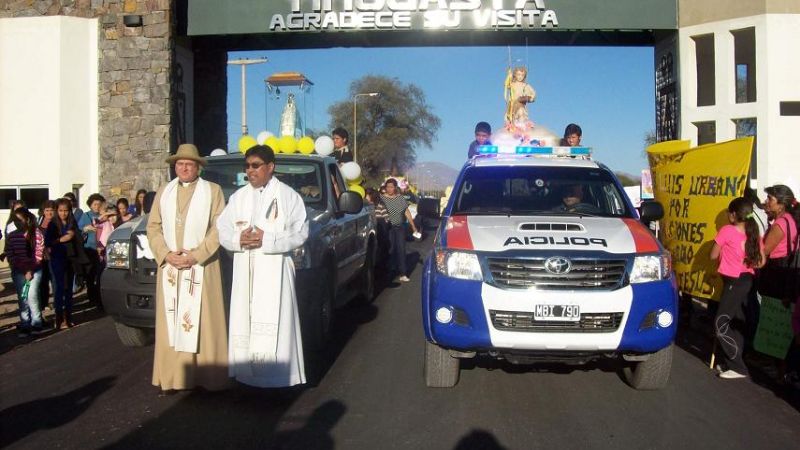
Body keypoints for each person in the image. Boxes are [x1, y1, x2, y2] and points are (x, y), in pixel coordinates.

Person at [217, 145, 309, 388]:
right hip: (246, 267)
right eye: (247, 166)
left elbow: (300, 233)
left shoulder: (289, 196)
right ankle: (247, 378)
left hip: (274, 268)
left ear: (271, 167)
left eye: (255, 165)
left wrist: (266, 239)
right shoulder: (239, 197)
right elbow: (223, 229)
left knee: (277, 324)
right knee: (244, 321)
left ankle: (279, 382)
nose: (250, 171)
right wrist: (239, 239)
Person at [146, 143, 230, 393]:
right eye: (180, 164)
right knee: (173, 321)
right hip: (171, 267)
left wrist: (196, 255)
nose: (184, 167)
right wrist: (165, 254)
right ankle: (174, 377)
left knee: (204, 320)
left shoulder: (213, 191)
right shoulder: (164, 191)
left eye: (189, 164)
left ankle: (208, 377)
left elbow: (220, 227)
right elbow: (153, 227)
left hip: (202, 266)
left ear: (198, 168)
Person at [710, 198, 765, 379]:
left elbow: (713, 255)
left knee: (721, 322)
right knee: (736, 322)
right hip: (747, 280)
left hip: (734, 281)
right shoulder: (754, 233)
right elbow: (761, 261)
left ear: (733, 214)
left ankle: (738, 366)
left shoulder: (727, 230)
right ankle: (732, 361)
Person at [6, 208, 45, 336]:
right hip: (19, 270)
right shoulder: (12, 236)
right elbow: (11, 254)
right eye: (15, 220)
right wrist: (23, 269)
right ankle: (25, 323)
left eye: (20, 219)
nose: (17, 222)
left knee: (32, 295)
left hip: (35, 269)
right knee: (22, 297)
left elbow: (39, 254)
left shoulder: (37, 234)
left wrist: (30, 270)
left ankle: (37, 322)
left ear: (27, 219)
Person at [760, 184, 799, 305]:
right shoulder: (790, 219)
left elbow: (765, 251)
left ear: (781, 205)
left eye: (770, 198)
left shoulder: (780, 224)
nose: (766, 201)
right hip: (786, 273)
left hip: (776, 274)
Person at [46, 198, 79, 329]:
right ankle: (59, 318)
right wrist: (62, 239)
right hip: (57, 258)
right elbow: (49, 242)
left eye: (66, 211)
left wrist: (73, 235)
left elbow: (78, 238)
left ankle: (68, 317)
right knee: (59, 288)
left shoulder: (72, 222)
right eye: (60, 210)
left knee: (69, 290)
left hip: (71, 259)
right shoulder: (53, 224)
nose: (63, 213)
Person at [380, 178, 419, 283]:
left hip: (400, 227)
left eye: (391, 187)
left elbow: (406, 212)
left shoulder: (400, 198)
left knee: (401, 249)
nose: (389, 189)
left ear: (395, 188)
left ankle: (403, 273)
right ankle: (390, 272)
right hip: (389, 228)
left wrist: (413, 226)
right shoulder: (382, 198)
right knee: (391, 249)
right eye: (387, 187)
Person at [77, 193, 114, 307]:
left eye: (99, 204)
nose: (97, 206)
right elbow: (79, 230)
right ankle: (92, 297)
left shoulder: (105, 216)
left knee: (100, 274)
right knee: (91, 275)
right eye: (95, 204)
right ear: (90, 205)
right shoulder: (86, 216)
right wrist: (85, 229)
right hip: (90, 249)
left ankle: (99, 298)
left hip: (103, 250)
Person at [37, 200, 56, 312]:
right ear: (43, 211)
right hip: (42, 257)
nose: (49, 213)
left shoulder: (57, 222)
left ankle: (58, 302)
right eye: (47, 210)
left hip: (54, 256)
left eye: (51, 210)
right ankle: (44, 303)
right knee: (43, 281)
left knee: (55, 280)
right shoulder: (38, 222)